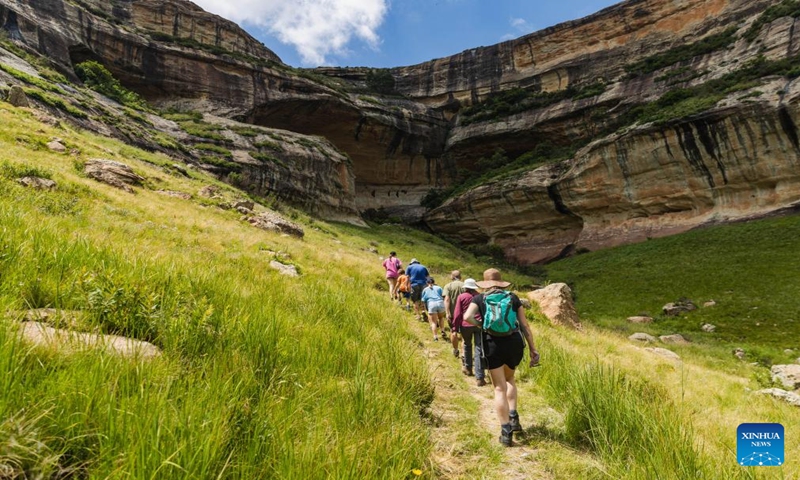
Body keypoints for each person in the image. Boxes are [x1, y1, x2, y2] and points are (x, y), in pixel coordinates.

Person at [461, 268, 539, 447]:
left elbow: (467, 316)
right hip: (513, 342)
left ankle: (505, 432)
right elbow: (524, 325)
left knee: (499, 387)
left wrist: (481, 325)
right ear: (501, 282)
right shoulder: (512, 298)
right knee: (510, 378)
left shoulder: (479, 298)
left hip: (492, 343)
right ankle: (514, 416)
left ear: (485, 283)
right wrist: (533, 349)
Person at [451, 278, 486, 386]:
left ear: (465, 287)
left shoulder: (462, 297)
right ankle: (480, 377)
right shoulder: (480, 296)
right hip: (478, 324)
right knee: (479, 348)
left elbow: (457, 313)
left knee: (467, 344)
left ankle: (468, 368)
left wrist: (454, 328)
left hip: (465, 324)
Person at [443, 270, 465, 358]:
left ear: (452, 276)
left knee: (454, 331)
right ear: (460, 276)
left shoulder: (448, 286)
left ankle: (455, 350)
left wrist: (447, 312)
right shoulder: (465, 285)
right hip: (465, 314)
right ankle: (464, 353)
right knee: (464, 334)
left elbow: (447, 299)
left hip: (453, 314)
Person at [421, 277, 446, 341]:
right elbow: (443, 296)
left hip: (431, 304)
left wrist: (423, 308)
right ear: (434, 282)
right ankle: (442, 330)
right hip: (440, 303)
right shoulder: (439, 288)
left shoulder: (425, 289)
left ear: (427, 283)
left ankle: (435, 336)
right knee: (441, 318)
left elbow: (423, 300)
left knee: (434, 322)